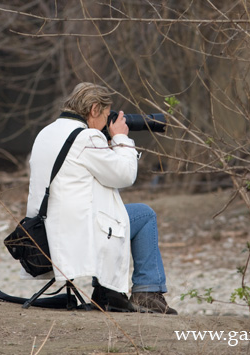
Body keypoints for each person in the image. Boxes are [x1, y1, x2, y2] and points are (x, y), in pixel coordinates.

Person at [25, 82, 177, 315]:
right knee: (145, 214)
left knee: (122, 215)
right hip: (77, 234)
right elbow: (125, 175)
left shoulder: (47, 132)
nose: (107, 122)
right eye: (107, 115)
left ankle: (108, 292)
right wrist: (121, 139)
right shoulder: (86, 138)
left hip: (46, 232)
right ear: (94, 109)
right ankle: (146, 293)